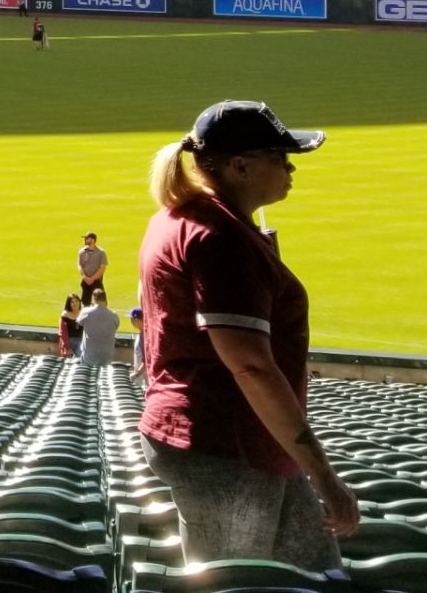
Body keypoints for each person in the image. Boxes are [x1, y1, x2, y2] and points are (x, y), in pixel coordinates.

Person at [139, 100, 356, 566]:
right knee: (235, 582)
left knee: (314, 573)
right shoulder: (221, 240)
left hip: (243, 443)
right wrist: (324, 475)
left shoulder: (186, 219)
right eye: (278, 157)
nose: (290, 167)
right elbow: (251, 365)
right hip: (226, 446)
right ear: (240, 166)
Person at [78, 291, 122, 368]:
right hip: (107, 356)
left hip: (89, 356)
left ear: (93, 298)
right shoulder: (113, 315)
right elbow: (116, 326)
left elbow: (79, 322)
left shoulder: (86, 312)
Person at [79, 232, 109, 305]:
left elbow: (102, 267)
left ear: (93, 240)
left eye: (87, 238)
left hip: (96, 282)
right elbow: (80, 265)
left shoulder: (101, 252)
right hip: (85, 281)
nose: (85, 240)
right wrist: (85, 277)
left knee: (100, 301)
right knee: (85, 303)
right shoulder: (82, 252)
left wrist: (92, 278)